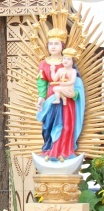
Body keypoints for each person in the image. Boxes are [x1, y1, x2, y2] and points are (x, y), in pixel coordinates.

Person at [35, 30, 84, 160]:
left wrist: (75, 93)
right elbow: (41, 83)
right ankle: (49, 150)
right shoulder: (44, 64)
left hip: (66, 98)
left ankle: (65, 152)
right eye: (50, 43)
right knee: (48, 125)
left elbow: (77, 81)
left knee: (66, 126)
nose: (53, 46)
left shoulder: (67, 62)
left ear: (62, 46)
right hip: (51, 96)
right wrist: (41, 98)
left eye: (56, 43)